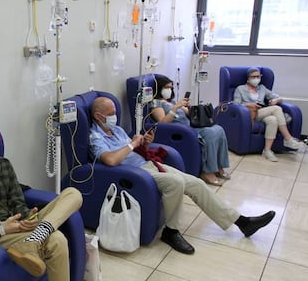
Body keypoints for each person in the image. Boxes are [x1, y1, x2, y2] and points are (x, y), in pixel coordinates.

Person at [89, 97, 276, 255]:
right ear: (99, 116)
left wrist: (144, 143)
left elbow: (133, 150)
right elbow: (111, 160)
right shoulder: (95, 137)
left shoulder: (117, 130)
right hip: (136, 174)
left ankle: (242, 222)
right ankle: (171, 231)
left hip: (149, 165)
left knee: (196, 184)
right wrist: (131, 145)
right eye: (111, 113)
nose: (115, 116)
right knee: (175, 183)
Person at [0, 119, 83, 281]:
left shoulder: (3, 165)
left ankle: (36, 237)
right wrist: (2, 228)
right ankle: (33, 240)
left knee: (73, 194)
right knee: (57, 239)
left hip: (18, 225)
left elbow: (17, 202)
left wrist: (27, 216)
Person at [150, 75, 230, 186]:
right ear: (159, 88)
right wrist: (175, 108)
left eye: (171, 88)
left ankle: (219, 166)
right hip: (181, 132)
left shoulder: (171, 101)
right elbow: (163, 123)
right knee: (210, 134)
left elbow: (186, 116)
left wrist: (187, 108)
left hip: (190, 127)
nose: (169, 90)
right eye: (166, 87)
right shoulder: (156, 103)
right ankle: (207, 171)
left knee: (219, 129)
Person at [233, 67, 303, 162]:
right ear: (248, 78)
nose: (256, 79)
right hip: (248, 114)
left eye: (258, 76)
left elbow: (278, 97)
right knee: (277, 109)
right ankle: (288, 138)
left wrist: (275, 100)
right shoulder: (240, 89)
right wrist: (249, 104)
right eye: (253, 77)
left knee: (273, 120)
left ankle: (267, 150)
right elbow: (236, 104)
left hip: (262, 112)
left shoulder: (262, 88)